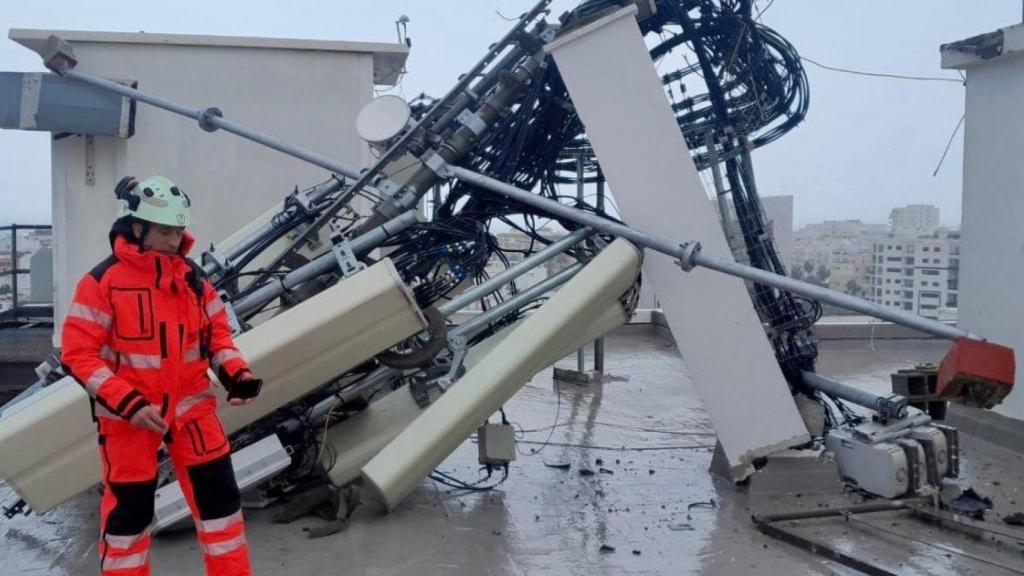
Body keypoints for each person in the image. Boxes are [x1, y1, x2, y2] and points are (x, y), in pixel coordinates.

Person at [61, 175, 262, 576]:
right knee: (128, 523)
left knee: (222, 512)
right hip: (129, 421)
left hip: (194, 414)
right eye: (165, 231)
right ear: (136, 228)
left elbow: (217, 336)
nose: (175, 240)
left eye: (178, 231)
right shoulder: (101, 283)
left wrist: (237, 375)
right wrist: (128, 403)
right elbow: (78, 354)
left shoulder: (193, 280)